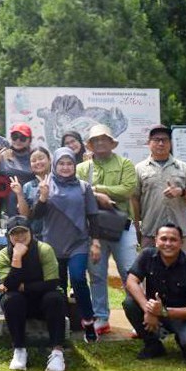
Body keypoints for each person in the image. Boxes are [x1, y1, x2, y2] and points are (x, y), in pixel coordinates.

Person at [27, 147, 100, 342]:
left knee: (78, 278)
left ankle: (88, 321)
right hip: (52, 243)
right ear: (55, 165)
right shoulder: (45, 184)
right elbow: (36, 215)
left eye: (69, 163)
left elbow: (93, 216)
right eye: (61, 163)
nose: (65, 167)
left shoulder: (83, 187)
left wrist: (95, 243)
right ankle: (60, 325)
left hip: (78, 243)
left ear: (75, 166)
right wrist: (43, 197)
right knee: (57, 287)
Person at [77, 124, 137, 337]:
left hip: (122, 226)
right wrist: (97, 195)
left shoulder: (125, 164)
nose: (100, 143)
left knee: (130, 272)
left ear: (112, 143)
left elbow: (127, 190)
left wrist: (96, 190)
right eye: (95, 140)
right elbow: (77, 192)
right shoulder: (82, 168)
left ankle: (137, 316)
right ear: (90, 145)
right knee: (96, 274)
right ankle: (101, 317)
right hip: (93, 229)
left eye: (104, 139)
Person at [123, 223, 186, 360]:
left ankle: (183, 340)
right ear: (156, 240)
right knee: (130, 303)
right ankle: (153, 345)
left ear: (181, 242)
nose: (168, 243)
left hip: (182, 317)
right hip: (155, 312)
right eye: (163, 239)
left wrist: (162, 312)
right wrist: (149, 310)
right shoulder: (147, 255)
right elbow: (131, 282)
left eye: (173, 240)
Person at [0, 216, 67, 371]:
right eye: (15, 233)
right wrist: (17, 257)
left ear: (31, 232)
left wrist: (23, 287)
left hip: (44, 302)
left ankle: (57, 353)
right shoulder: (3, 255)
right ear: (8, 236)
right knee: (11, 299)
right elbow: (10, 286)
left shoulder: (44, 250)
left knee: (55, 298)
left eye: (23, 232)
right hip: (20, 305)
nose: (20, 236)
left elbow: (52, 283)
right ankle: (19, 350)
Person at [132, 124, 186, 254]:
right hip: (151, 232)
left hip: (180, 233)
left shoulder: (183, 167)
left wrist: (181, 192)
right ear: (149, 143)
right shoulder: (139, 169)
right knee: (151, 266)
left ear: (171, 143)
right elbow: (134, 199)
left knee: (182, 267)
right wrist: (137, 227)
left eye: (165, 140)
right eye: (156, 140)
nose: (161, 143)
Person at [0, 123, 36, 211]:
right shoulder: (1, 155)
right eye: (15, 137)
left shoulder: (35, 157)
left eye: (23, 138)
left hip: (28, 207)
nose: (18, 140)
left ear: (29, 140)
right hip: (5, 208)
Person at [7, 146, 51, 236]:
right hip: (36, 235)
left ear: (49, 160)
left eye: (41, 158)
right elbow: (25, 216)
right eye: (33, 160)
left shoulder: (59, 183)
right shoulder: (28, 187)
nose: (37, 162)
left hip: (57, 235)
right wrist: (19, 194)